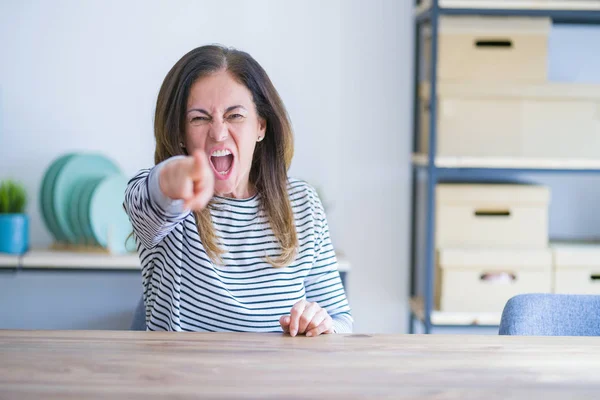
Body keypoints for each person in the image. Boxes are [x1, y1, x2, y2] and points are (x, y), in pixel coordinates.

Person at [124, 45, 352, 336]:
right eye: (199, 118)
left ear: (261, 126)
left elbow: (341, 320)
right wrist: (174, 176)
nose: (218, 132)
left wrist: (324, 324)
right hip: (184, 379)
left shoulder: (303, 204)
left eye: (234, 116)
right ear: (180, 134)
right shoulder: (170, 205)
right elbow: (146, 197)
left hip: (274, 380)